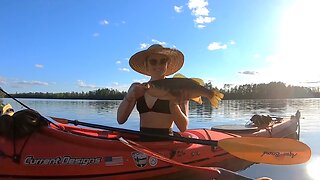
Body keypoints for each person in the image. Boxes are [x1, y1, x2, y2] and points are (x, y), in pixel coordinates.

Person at [117, 44, 188, 136]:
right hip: (143, 143)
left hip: (167, 143)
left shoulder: (178, 87)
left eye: (163, 61)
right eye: (153, 61)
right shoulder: (136, 87)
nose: (158, 65)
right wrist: (130, 97)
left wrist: (173, 103)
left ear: (168, 64)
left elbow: (183, 127)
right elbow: (120, 120)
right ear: (146, 64)